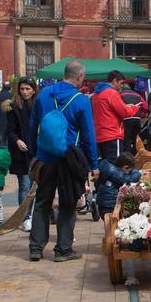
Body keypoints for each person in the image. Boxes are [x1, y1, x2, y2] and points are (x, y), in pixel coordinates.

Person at [30, 60, 98, 262]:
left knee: (42, 202)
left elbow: (32, 125)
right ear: (79, 77)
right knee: (68, 202)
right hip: (69, 158)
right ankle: (63, 249)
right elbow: (88, 135)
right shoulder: (81, 100)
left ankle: (36, 247)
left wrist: (35, 153)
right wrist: (93, 164)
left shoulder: (44, 95)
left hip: (45, 156)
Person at [3, 77, 39, 231]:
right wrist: (17, 140)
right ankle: (25, 217)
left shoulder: (39, 104)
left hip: (37, 151)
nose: (25, 92)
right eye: (22, 89)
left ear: (33, 89)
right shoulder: (13, 107)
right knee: (24, 186)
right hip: (21, 152)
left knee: (35, 186)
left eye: (28, 89)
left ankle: (34, 215)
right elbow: (9, 130)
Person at [92, 70, 141, 162]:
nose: (121, 86)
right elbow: (125, 112)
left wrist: (126, 107)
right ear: (114, 81)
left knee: (104, 166)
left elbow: (108, 109)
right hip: (112, 135)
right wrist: (134, 108)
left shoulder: (96, 94)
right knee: (116, 166)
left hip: (99, 135)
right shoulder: (112, 93)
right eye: (121, 83)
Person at [121, 82, 145, 154]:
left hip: (126, 119)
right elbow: (145, 106)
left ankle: (128, 156)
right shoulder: (137, 95)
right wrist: (141, 115)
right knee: (136, 138)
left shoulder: (120, 95)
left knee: (127, 139)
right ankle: (136, 155)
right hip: (137, 119)